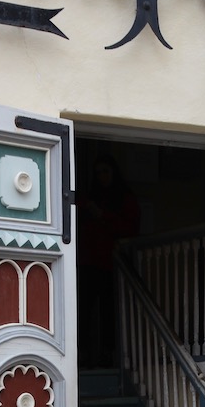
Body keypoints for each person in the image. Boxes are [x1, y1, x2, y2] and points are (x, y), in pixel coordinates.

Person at [77, 155, 140, 367]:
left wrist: (103, 215)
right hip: (88, 261)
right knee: (84, 311)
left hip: (110, 264)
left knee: (109, 312)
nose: (102, 176)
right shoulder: (88, 199)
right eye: (98, 173)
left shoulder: (123, 198)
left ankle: (108, 355)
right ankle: (83, 355)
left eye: (105, 171)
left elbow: (130, 229)